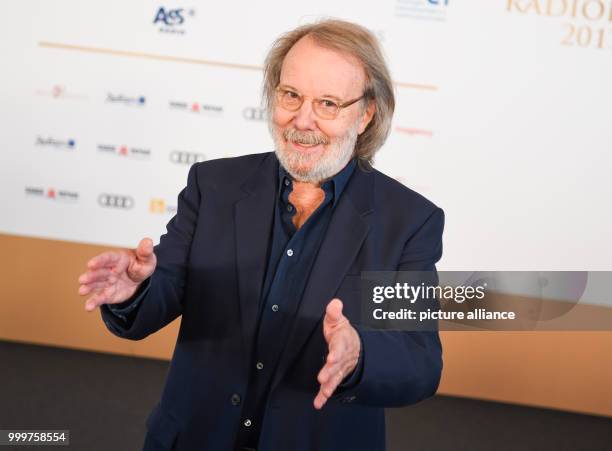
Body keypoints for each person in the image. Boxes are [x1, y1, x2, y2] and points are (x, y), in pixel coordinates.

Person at [77, 19, 444, 451]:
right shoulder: (213, 185)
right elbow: (166, 288)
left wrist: (359, 356)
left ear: (365, 114)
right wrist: (134, 293)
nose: (302, 120)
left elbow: (419, 361)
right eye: (291, 95)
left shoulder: (407, 221)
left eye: (328, 103)